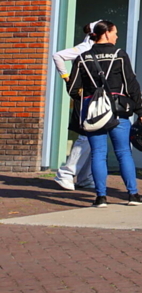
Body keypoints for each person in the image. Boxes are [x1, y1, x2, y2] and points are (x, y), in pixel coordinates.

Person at [65, 21, 142, 207]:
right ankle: (132, 195)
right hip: (117, 112)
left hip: (93, 113)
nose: (117, 36)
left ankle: (100, 197)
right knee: (124, 153)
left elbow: (72, 89)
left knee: (98, 154)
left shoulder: (82, 58)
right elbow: (132, 84)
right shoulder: (119, 55)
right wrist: (140, 110)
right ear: (107, 33)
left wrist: (89, 98)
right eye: (115, 32)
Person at [51, 20, 101, 191]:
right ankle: (65, 173)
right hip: (84, 97)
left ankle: (84, 178)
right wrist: (67, 78)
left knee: (93, 137)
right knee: (87, 136)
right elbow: (58, 55)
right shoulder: (83, 48)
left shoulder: (95, 49)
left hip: (95, 97)